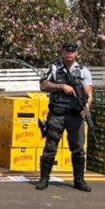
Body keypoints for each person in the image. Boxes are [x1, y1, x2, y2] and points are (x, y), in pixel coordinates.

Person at [35, 42, 93, 192]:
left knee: (78, 148)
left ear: (77, 54)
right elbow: (43, 85)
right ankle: (44, 179)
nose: (69, 54)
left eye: (72, 51)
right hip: (57, 114)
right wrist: (62, 87)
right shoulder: (54, 68)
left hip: (75, 115)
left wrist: (86, 107)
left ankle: (79, 181)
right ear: (62, 52)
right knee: (50, 147)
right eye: (66, 51)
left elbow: (89, 93)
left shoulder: (84, 71)